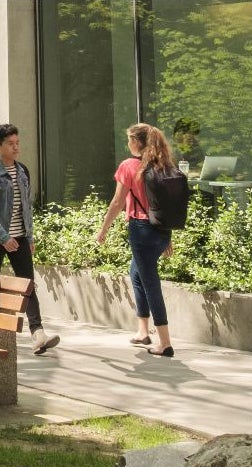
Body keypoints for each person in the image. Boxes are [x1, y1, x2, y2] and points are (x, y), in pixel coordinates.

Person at [0, 123, 61, 355]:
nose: (16, 148)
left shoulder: (22, 170)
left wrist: (29, 236)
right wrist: (3, 237)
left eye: (17, 143)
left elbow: (27, 206)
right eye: (10, 144)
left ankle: (38, 334)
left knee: (28, 285)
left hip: (21, 236)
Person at [96, 123, 177, 357]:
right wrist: (166, 236)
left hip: (141, 229)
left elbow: (117, 202)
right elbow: (165, 204)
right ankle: (143, 331)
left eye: (130, 139)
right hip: (161, 231)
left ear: (137, 143)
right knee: (137, 273)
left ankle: (165, 342)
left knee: (150, 282)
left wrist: (103, 230)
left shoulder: (129, 166)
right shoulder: (162, 164)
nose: (128, 144)